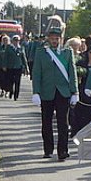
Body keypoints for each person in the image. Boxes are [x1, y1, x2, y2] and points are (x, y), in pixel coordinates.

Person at [31, 16, 78, 160]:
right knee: (46, 123)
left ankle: (63, 150)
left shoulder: (67, 52)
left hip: (63, 92)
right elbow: (36, 73)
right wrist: (36, 92)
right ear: (48, 39)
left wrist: (75, 91)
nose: (54, 40)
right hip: (46, 92)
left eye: (57, 38)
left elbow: (72, 72)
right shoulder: (41, 52)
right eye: (52, 38)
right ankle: (48, 149)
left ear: (61, 38)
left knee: (63, 123)